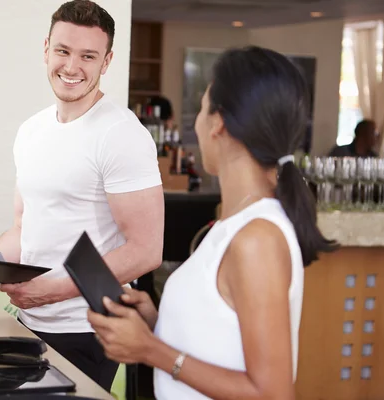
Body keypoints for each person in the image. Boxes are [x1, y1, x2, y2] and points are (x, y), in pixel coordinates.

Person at [0, 0, 164, 392]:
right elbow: (26, 228)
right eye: (63, 51)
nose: (72, 67)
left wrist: (52, 291)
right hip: (30, 322)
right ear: (46, 49)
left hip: (87, 329)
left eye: (87, 56)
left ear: (106, 62)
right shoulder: (32, 130)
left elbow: (146, 251)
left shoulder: (120, 135)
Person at [88, 46, 338, 399]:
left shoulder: (258, 238)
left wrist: (150, 350)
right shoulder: (237, 223)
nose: (199, 122)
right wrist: (157, 325)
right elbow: (219, 343)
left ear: (218, 121)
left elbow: (272, 393)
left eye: (203, 109)